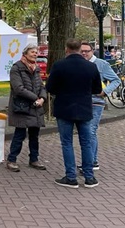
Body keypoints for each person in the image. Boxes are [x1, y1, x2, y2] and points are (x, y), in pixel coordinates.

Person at [46, 38, 102, 189]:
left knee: (67, 143)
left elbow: (50, 88)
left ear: (66, 49)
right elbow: (97, 90)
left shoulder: (59, 66)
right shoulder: (91, 67)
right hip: (84, 108)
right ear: (79, 49)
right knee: (86, 143)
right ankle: (90, 177)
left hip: (64, 108)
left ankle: (71, 177)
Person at [5, 44, 48, 172]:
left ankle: (34, 159)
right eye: (32, 52)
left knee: (34, 135)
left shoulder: (36, 69)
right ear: (25, 53)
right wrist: (35, 98)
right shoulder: (16, 68)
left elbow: (41, 86)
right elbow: (18, 89)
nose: (35, 54)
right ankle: (12, 159)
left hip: (35, 107)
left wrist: (42, 98)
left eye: (36, 52)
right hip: (22, 107)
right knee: (20, 134)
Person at [80, 42, 121, 172]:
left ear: (92, 51)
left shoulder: (101, 64)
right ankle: (92, 160)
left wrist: (105, 92)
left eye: (87, 51)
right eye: (82, 51)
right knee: (88, 131)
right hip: (82, 101)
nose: (84, 53)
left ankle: (91, 162)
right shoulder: (79, 64)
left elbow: (116, 80)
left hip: (96, 101)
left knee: (90, 130)